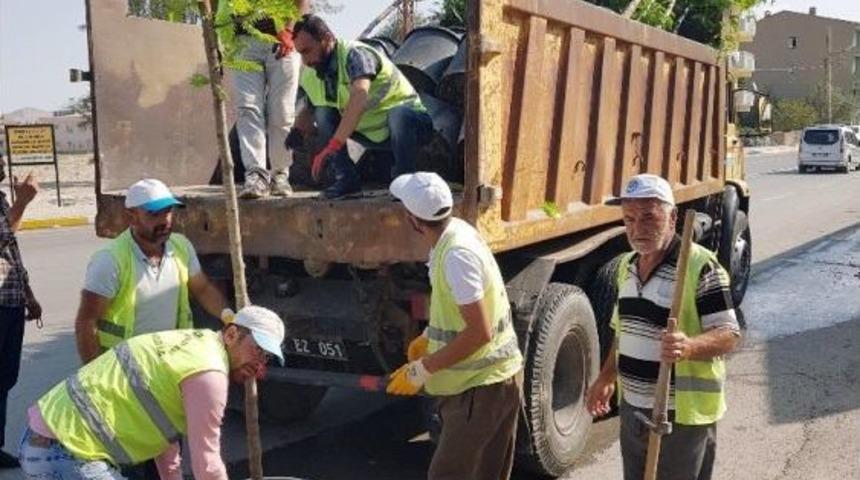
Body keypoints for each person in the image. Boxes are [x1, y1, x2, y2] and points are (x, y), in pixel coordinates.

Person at [586, 174, 741, 480]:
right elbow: (623, 329)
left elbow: (730, 335)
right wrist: (606, 377)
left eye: (648, 217)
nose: (637, 228)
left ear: (672, 217)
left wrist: (690, 346)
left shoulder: (700, 265)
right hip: (634, 410)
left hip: (679, 416)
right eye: (629, 219)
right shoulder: (627, 267)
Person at [19, 305, 284, 480]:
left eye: (267, 357)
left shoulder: (194, 344)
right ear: (231, 334)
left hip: (40, 442)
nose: (260, 364)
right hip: (70, 453)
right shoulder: (209, 373)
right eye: (257, 350)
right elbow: (208, 464)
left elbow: (163, 431)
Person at [386, 172, 523, 480]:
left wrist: (422, 369)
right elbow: (456, 312)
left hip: (480, 387)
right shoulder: (456, 232)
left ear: (413, 220)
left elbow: (479, 332)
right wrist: (427, 336)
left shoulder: (456, 256)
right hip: (489, 383)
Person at [74, 179, 228, 364]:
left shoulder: (181, 247)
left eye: (168, 212)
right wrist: (96, 375)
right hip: (123, 369)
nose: (165, 221)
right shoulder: (110, 260)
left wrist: (230, 317)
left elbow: (202, 289)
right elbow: (86, 323)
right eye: (154, 214)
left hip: (168, 364)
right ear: (131, 217)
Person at [292, 15, 435, 199]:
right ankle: (346, 180)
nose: (305, 61)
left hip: (412, 128)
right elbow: (310, 109)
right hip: (373, 135)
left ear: (327, 38)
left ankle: (404, 182)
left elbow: (360, 94)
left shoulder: (356, 55)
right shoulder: (313, 73)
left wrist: (333, 144)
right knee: (324, 113)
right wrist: (296, 133)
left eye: (307, 51)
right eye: (300, 53)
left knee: (399, 114)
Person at [216, 0, 310, 199]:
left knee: (282, 112)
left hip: (281, 40)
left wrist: (289, 30)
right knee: (247, 109)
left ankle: (280, 174)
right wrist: (217, 40)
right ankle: (256, 175)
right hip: (242, 42)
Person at [0, 162, 41, 469]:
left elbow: (11, 250)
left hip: (10, 300)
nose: (2, 162)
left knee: (4, 378)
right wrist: (22, 202)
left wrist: (28, 294)